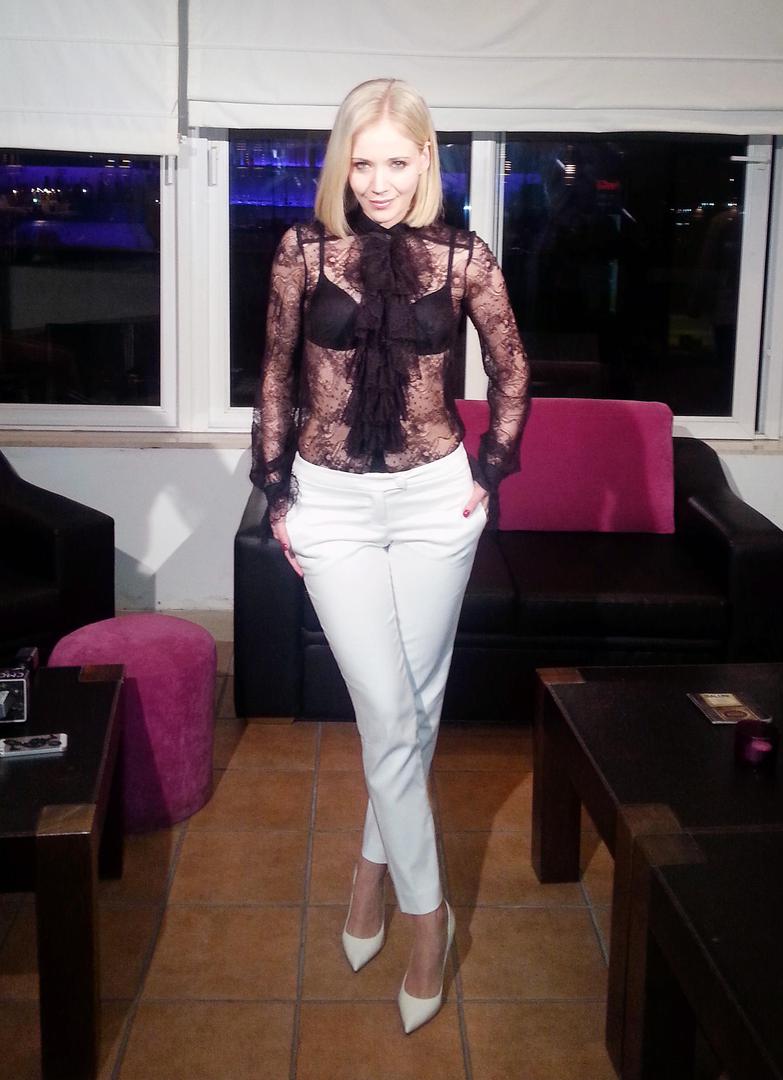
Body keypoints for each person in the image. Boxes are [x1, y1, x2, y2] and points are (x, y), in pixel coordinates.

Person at [250, 77, 529, 1033]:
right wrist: (278, 492)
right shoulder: (302, 251)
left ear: (425, 162)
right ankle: (428, 915)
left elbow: (512, 367)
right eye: (360, 162)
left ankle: (371, 871)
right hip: (328, 501)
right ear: (342, 164)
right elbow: (277, 374)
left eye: (396, 162)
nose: (377, 182)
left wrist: (491, 472)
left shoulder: (462, 258)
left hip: (434, 502)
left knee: (409, 707)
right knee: (387, 706)